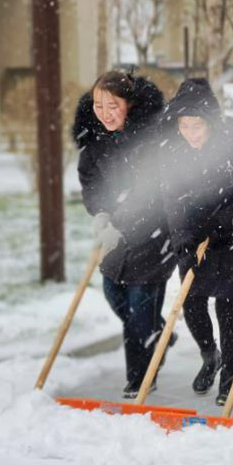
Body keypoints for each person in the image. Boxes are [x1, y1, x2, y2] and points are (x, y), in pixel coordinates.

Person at [73, 70, 176, 398]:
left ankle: (140, 378)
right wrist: (102, 213)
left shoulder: (150, 140)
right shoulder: (94, 143)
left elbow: (153, 191)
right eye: (99, 105)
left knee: (138, 309)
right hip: (117, 236)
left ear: (129, 104)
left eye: (112, 104)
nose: (105, 112)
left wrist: (122, 221)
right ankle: (159, 335)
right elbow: (90, 181)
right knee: (113, 292)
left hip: (154, 234)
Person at [159, 78, 233, 405]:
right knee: (192, 303)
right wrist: (184, 242)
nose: (190, 133)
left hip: (232, 239)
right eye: (183, 125)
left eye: (196, 125)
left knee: (227, 308)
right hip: (193, 239)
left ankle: (230, 377)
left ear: (210, 122)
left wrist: (221, 222)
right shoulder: (174, 154)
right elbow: (173, 202)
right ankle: (209, 355)